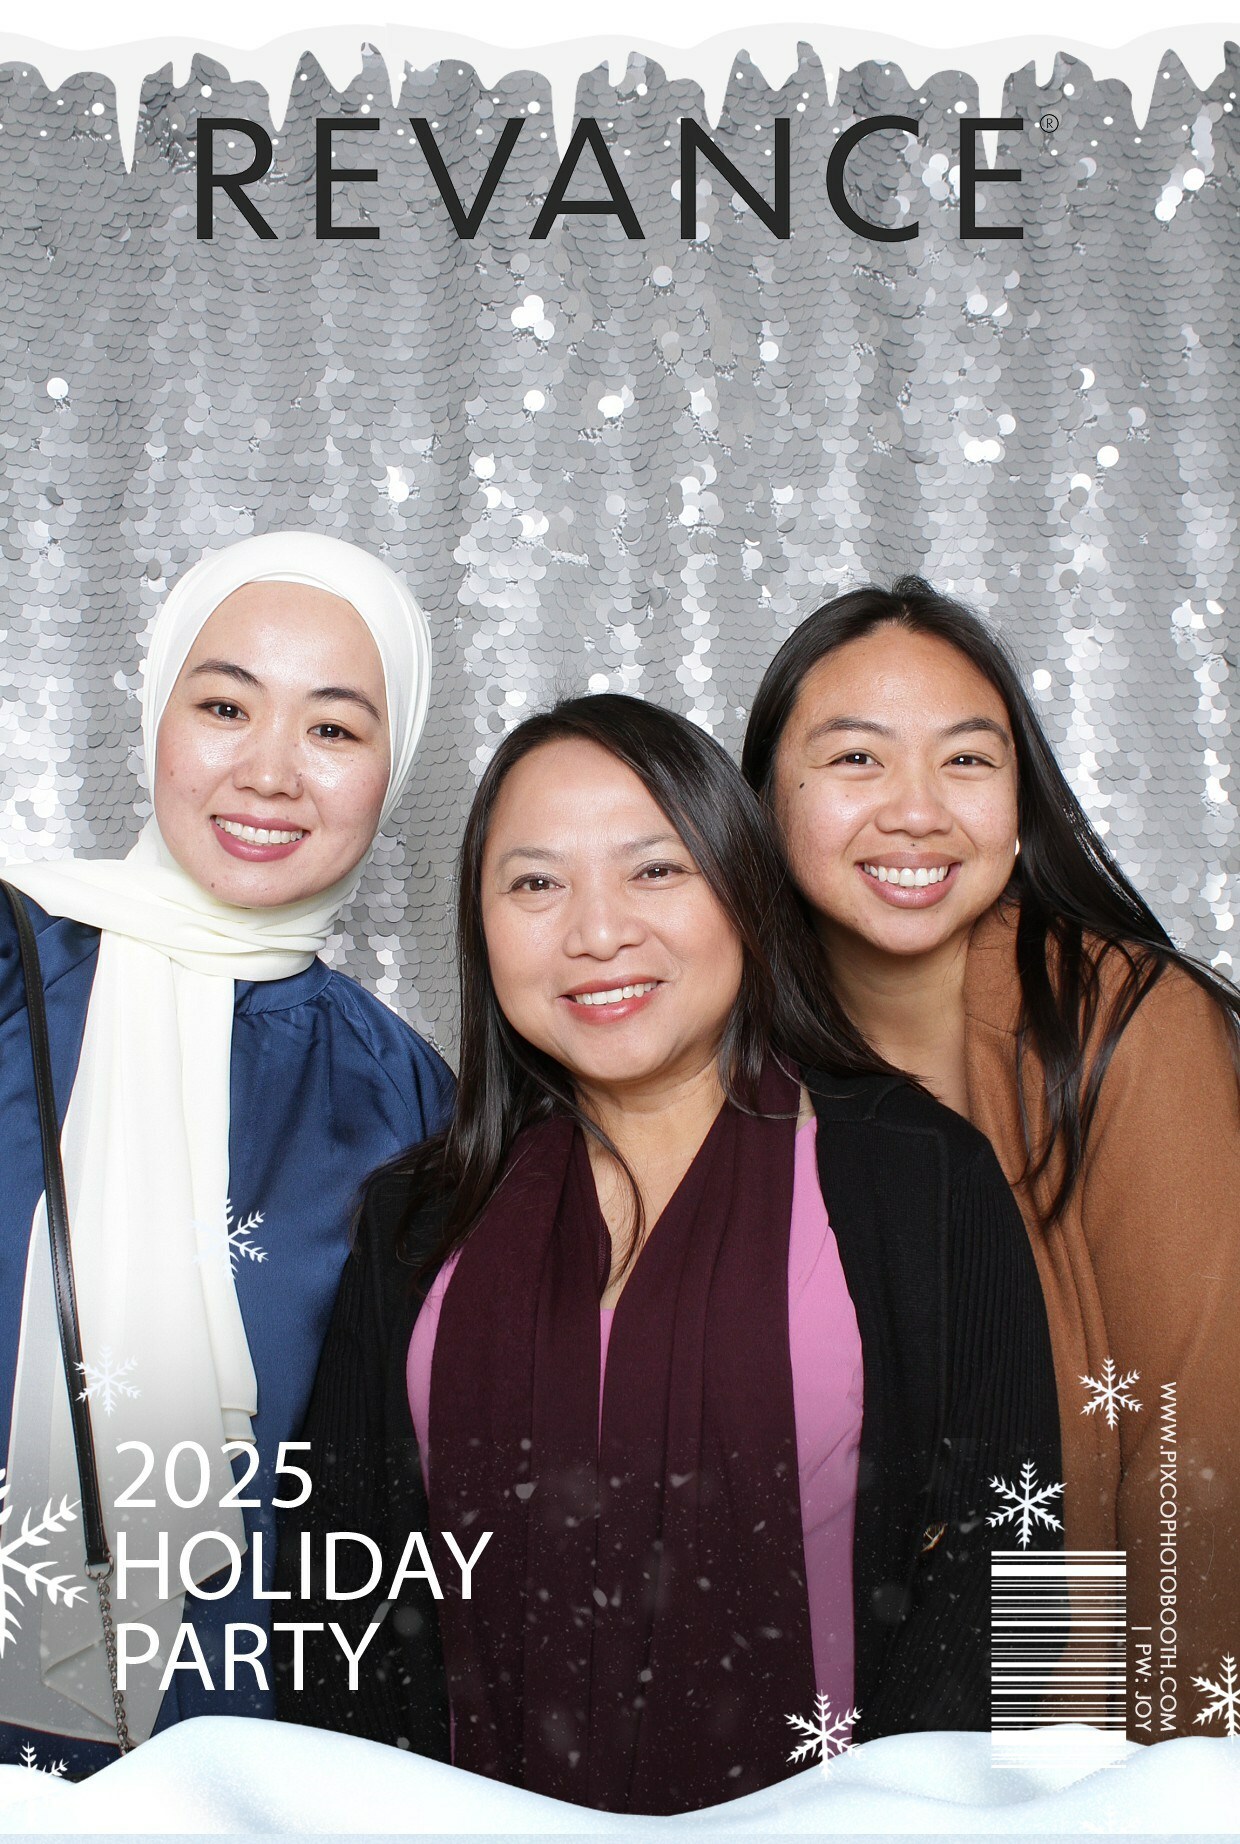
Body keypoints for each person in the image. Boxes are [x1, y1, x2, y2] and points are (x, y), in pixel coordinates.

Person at [277, 693, 1059, 1814]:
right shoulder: (414, 1217)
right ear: (480, 926)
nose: (597, 932)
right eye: (535, 883)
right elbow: (334, 1595)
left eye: (654, 870)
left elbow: (1021, 1570)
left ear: (742, 887)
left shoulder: (919, 1172)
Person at [742, 575, 1240, 1740]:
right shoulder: (724, 1048)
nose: (916, 811)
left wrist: (1168, 1776)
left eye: (965, 759)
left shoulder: (1122, 1027)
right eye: (856, 758)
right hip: (804, 1734)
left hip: (1063, 1734)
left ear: (1019, 800)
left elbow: (1193, 1451)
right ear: (763, 797)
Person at [0, 532, 454, 1774]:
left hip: (242, 1764)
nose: (268, 771)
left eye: (333, 727)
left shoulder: (407, 1096)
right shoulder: (15, 970)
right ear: (157, 713)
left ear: (391, 767)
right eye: (223, 705)